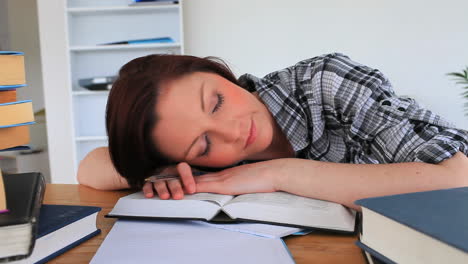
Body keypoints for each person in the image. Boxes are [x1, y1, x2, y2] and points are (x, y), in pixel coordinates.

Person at [77, 53, 468, 211]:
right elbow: (90, 168)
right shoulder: (203, 163)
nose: (232, 131)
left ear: (219, 73)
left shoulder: (325, 82)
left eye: (216, 102)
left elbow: (455, 180)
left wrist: (278, 172)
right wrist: (160, 171)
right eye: (204, 143)